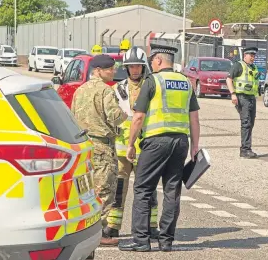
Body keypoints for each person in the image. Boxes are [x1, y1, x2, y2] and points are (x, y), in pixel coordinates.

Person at [118, 44, 200, 252]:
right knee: (172, 191)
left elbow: (138, 117)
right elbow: (194, 118)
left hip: (156, 142)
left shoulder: (152, 81)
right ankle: (166, 241)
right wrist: (195, 148)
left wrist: (130, 145)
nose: (150, 64)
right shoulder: (186, 82)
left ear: (158, 61)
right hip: (181, 142)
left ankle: (141, 241)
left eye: (152, 60)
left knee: (143, 189)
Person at [71, 54, 128, 246]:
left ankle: (83, 229)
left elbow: (72, 116)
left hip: (84, 145)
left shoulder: (79, 90)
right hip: (102, 146)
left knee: (84, 190)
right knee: (104, 190)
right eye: (109, 69)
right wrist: (126, 113)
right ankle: (99, 233)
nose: (113, 71)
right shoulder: (106, 91)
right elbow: (115, 117)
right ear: (97, 71)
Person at [104, 47, 160, 240]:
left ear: (143, 67)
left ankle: (152, 225)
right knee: (119, 188)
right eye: (131, 66)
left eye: (137, 66)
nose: (134, 70)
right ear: (126, 68)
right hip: (122, 149)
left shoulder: (152, 86)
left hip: (145, 148)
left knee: (148, 188)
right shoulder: (117, 89)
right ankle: (113, 225)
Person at [226, 47, 261, 158]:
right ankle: (245, 149)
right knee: (246, 122)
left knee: (251, 123)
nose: (252, 58)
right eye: (251, 55)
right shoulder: (238, 65)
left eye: (254, 56)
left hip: (251, 97)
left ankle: (245, 148)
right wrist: (233, 94)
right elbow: (228, 79)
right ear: (245, 55)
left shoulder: (254, 67)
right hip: (242, 97)